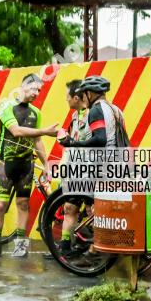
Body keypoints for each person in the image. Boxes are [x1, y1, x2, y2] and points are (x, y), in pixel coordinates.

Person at [58, 75, 130, 259]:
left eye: (85, 93)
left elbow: (100, 139)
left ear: (90, 93)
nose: (84, 97)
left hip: (102, 166)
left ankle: (97, 248)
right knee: (103, 207)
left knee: (95, 208)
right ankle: (98, 247)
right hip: (119, 164)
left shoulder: (96, 110)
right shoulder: (116, 110)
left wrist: (73, 144)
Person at [0, 74, 59, 260]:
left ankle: (20, 246)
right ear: (23, 86)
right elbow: (16, 131)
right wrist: (46, 131)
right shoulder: (5, 106)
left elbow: (37, 140)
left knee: (23, 204)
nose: (36, 93)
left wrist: (46, 165)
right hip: (5, 164)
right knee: (1, 205)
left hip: (26, 165)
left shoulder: (36, 113)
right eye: (33, 88)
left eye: (39, 90)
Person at [56, 79, 91, 255]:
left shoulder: (93, 114)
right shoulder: (75, 116)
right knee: (69, 208)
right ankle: (65, 246)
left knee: (93, 210)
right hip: (75, 172)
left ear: (76, 98)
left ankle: (95, 248)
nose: (66, 100)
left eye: (67, 97)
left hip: (92, 172)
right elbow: (72, 143)